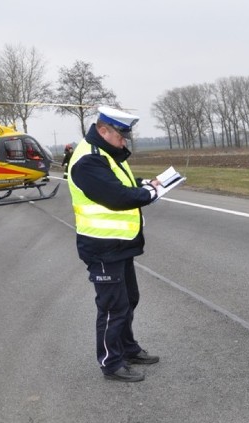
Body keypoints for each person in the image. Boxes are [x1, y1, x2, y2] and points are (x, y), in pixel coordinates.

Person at [67, 107, 165, 382]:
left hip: (118, 244)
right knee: (113, 307)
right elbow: (117, 197)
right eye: (121, 136)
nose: (125, 141)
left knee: (129, 299)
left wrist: (145, 183)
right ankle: (111, 363)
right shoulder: (88, 160)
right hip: (102, 247)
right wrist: (150, 192)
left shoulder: (106, 154)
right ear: (103, 130)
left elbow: (121, 183)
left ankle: (128, 349)